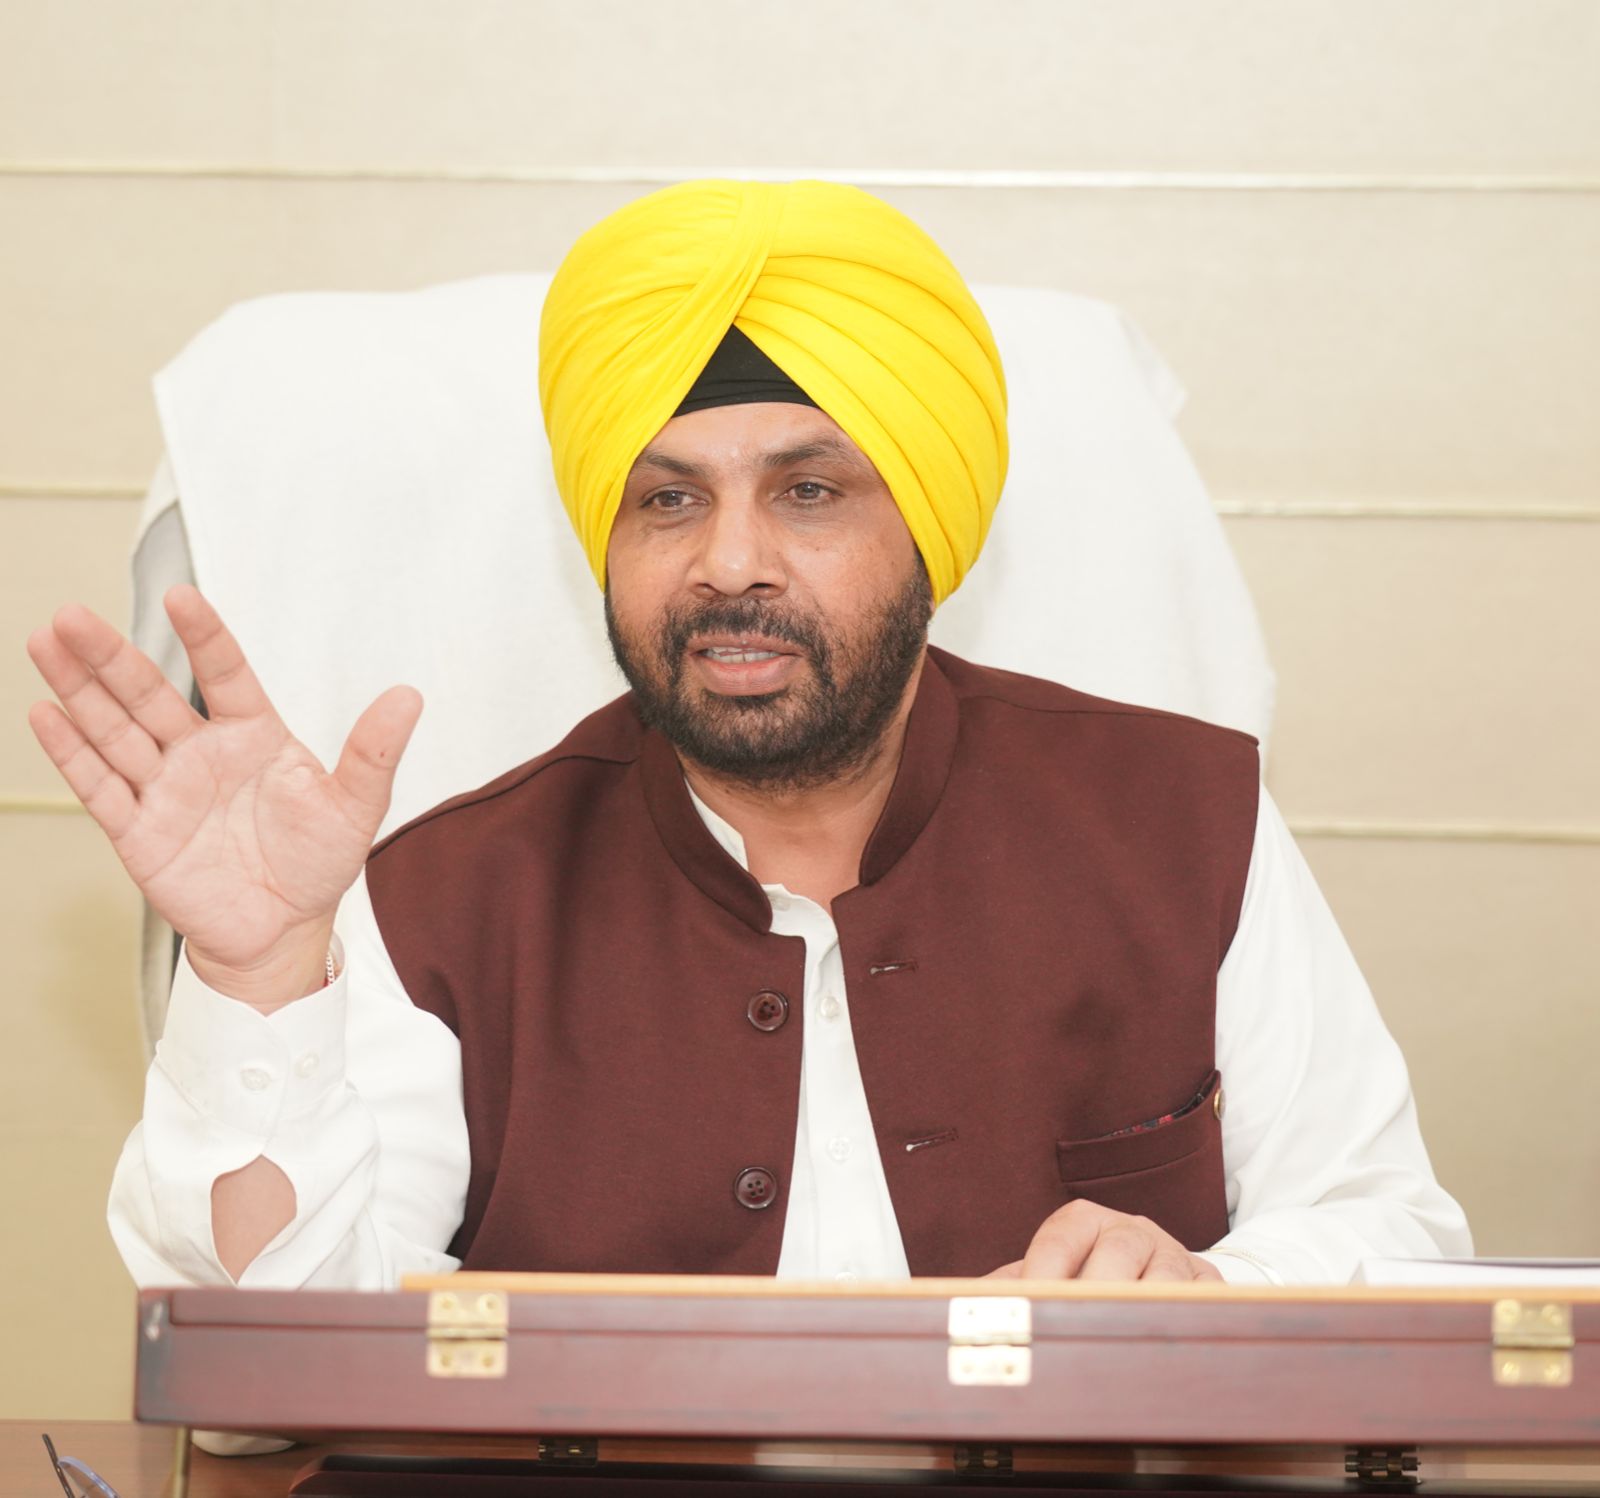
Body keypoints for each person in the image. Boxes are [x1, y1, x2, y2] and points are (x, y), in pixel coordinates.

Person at [27, 180, 1469, 1292]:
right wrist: (258, 975)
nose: (728, 563)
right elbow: (283, 1357)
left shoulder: (1182, 818)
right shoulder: (447, 895)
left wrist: (1210, 1288)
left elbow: (1393, 1236)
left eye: (808, 493)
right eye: (667, 500)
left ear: (932, 528)